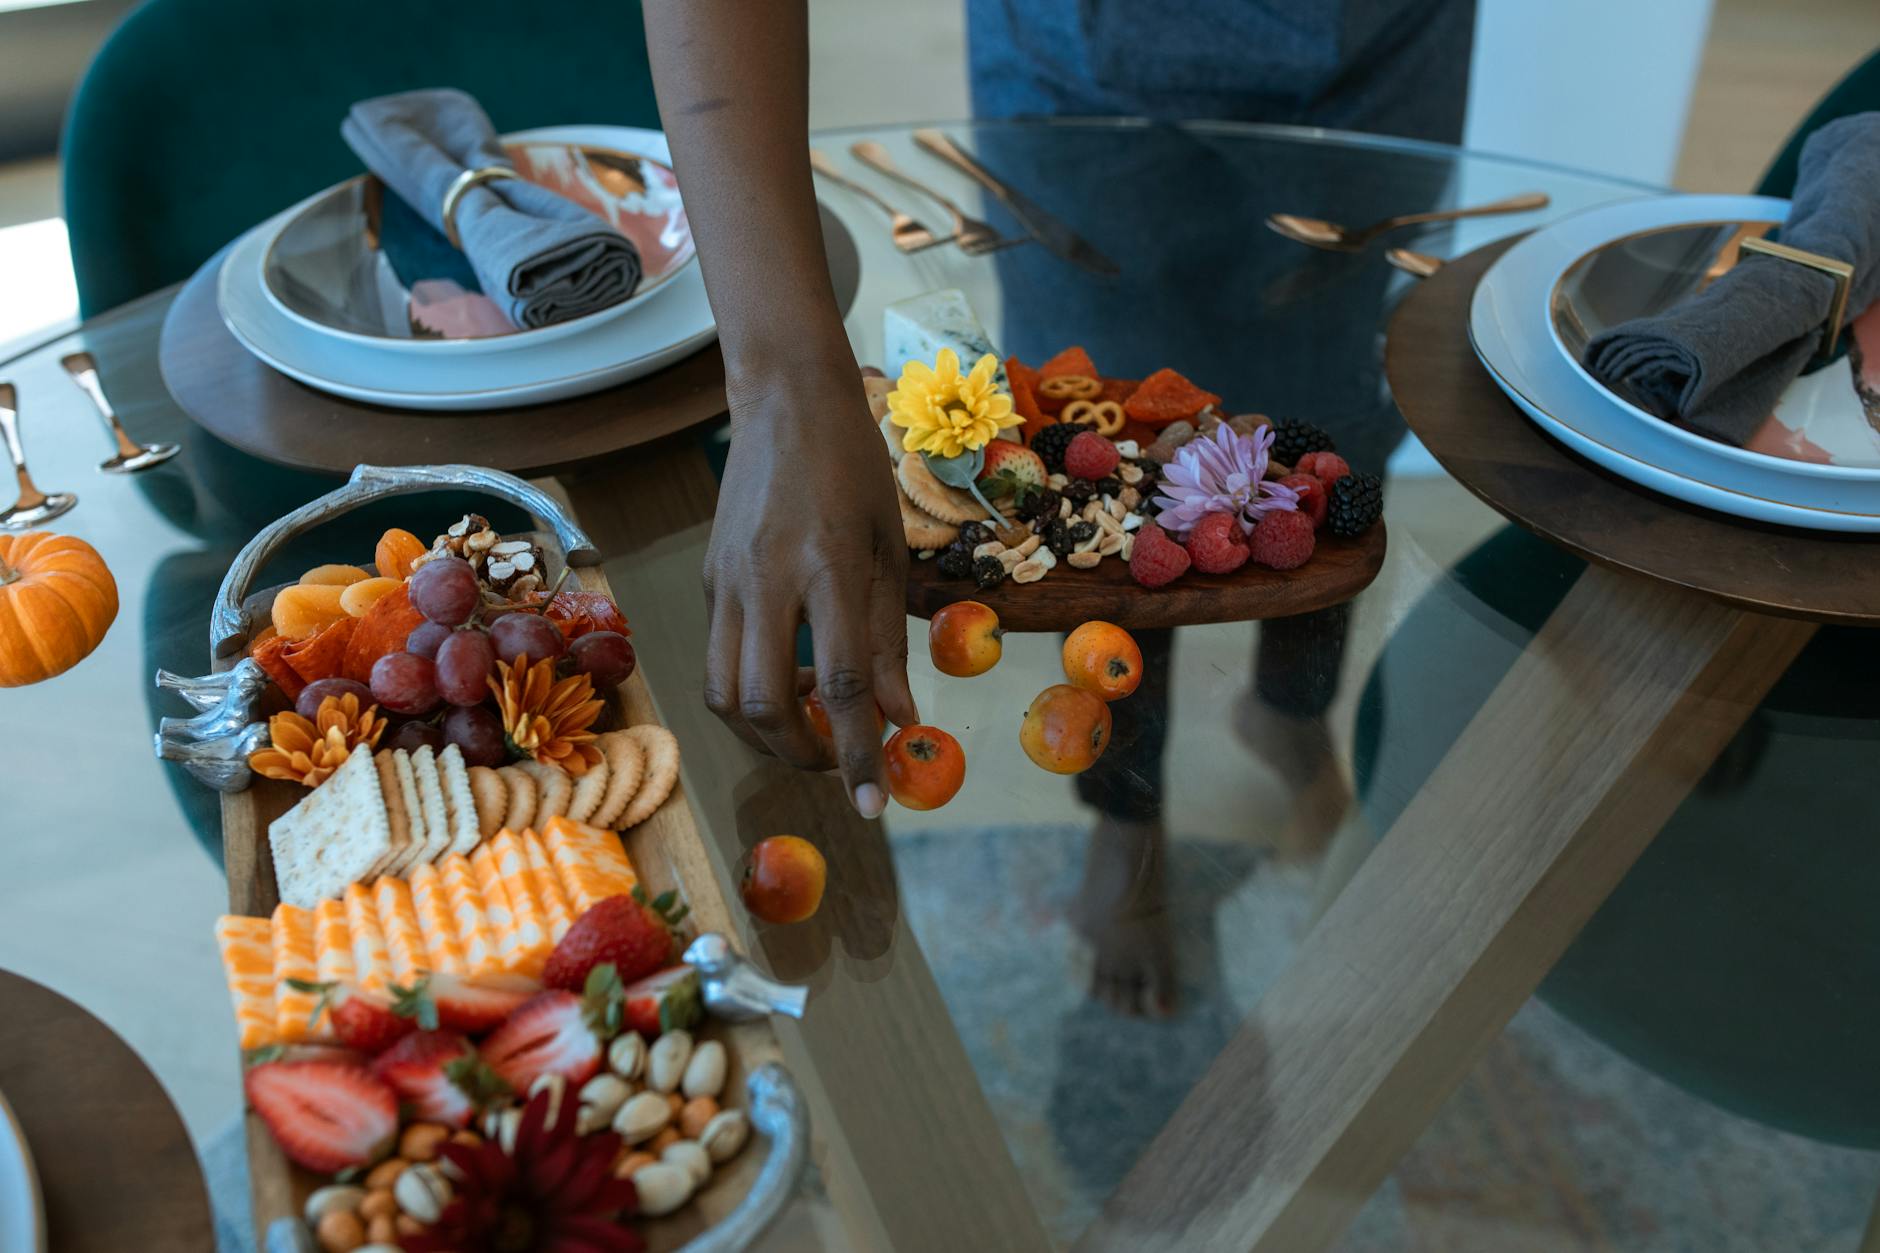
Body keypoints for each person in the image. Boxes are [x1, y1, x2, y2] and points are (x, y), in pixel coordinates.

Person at [641, 0, 1475, 1010]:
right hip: (1084, 45)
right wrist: (781, 383)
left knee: (1323, 438)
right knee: (1102, 491)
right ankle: (1127, 816)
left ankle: (1290, 705)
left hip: (1375, 40)